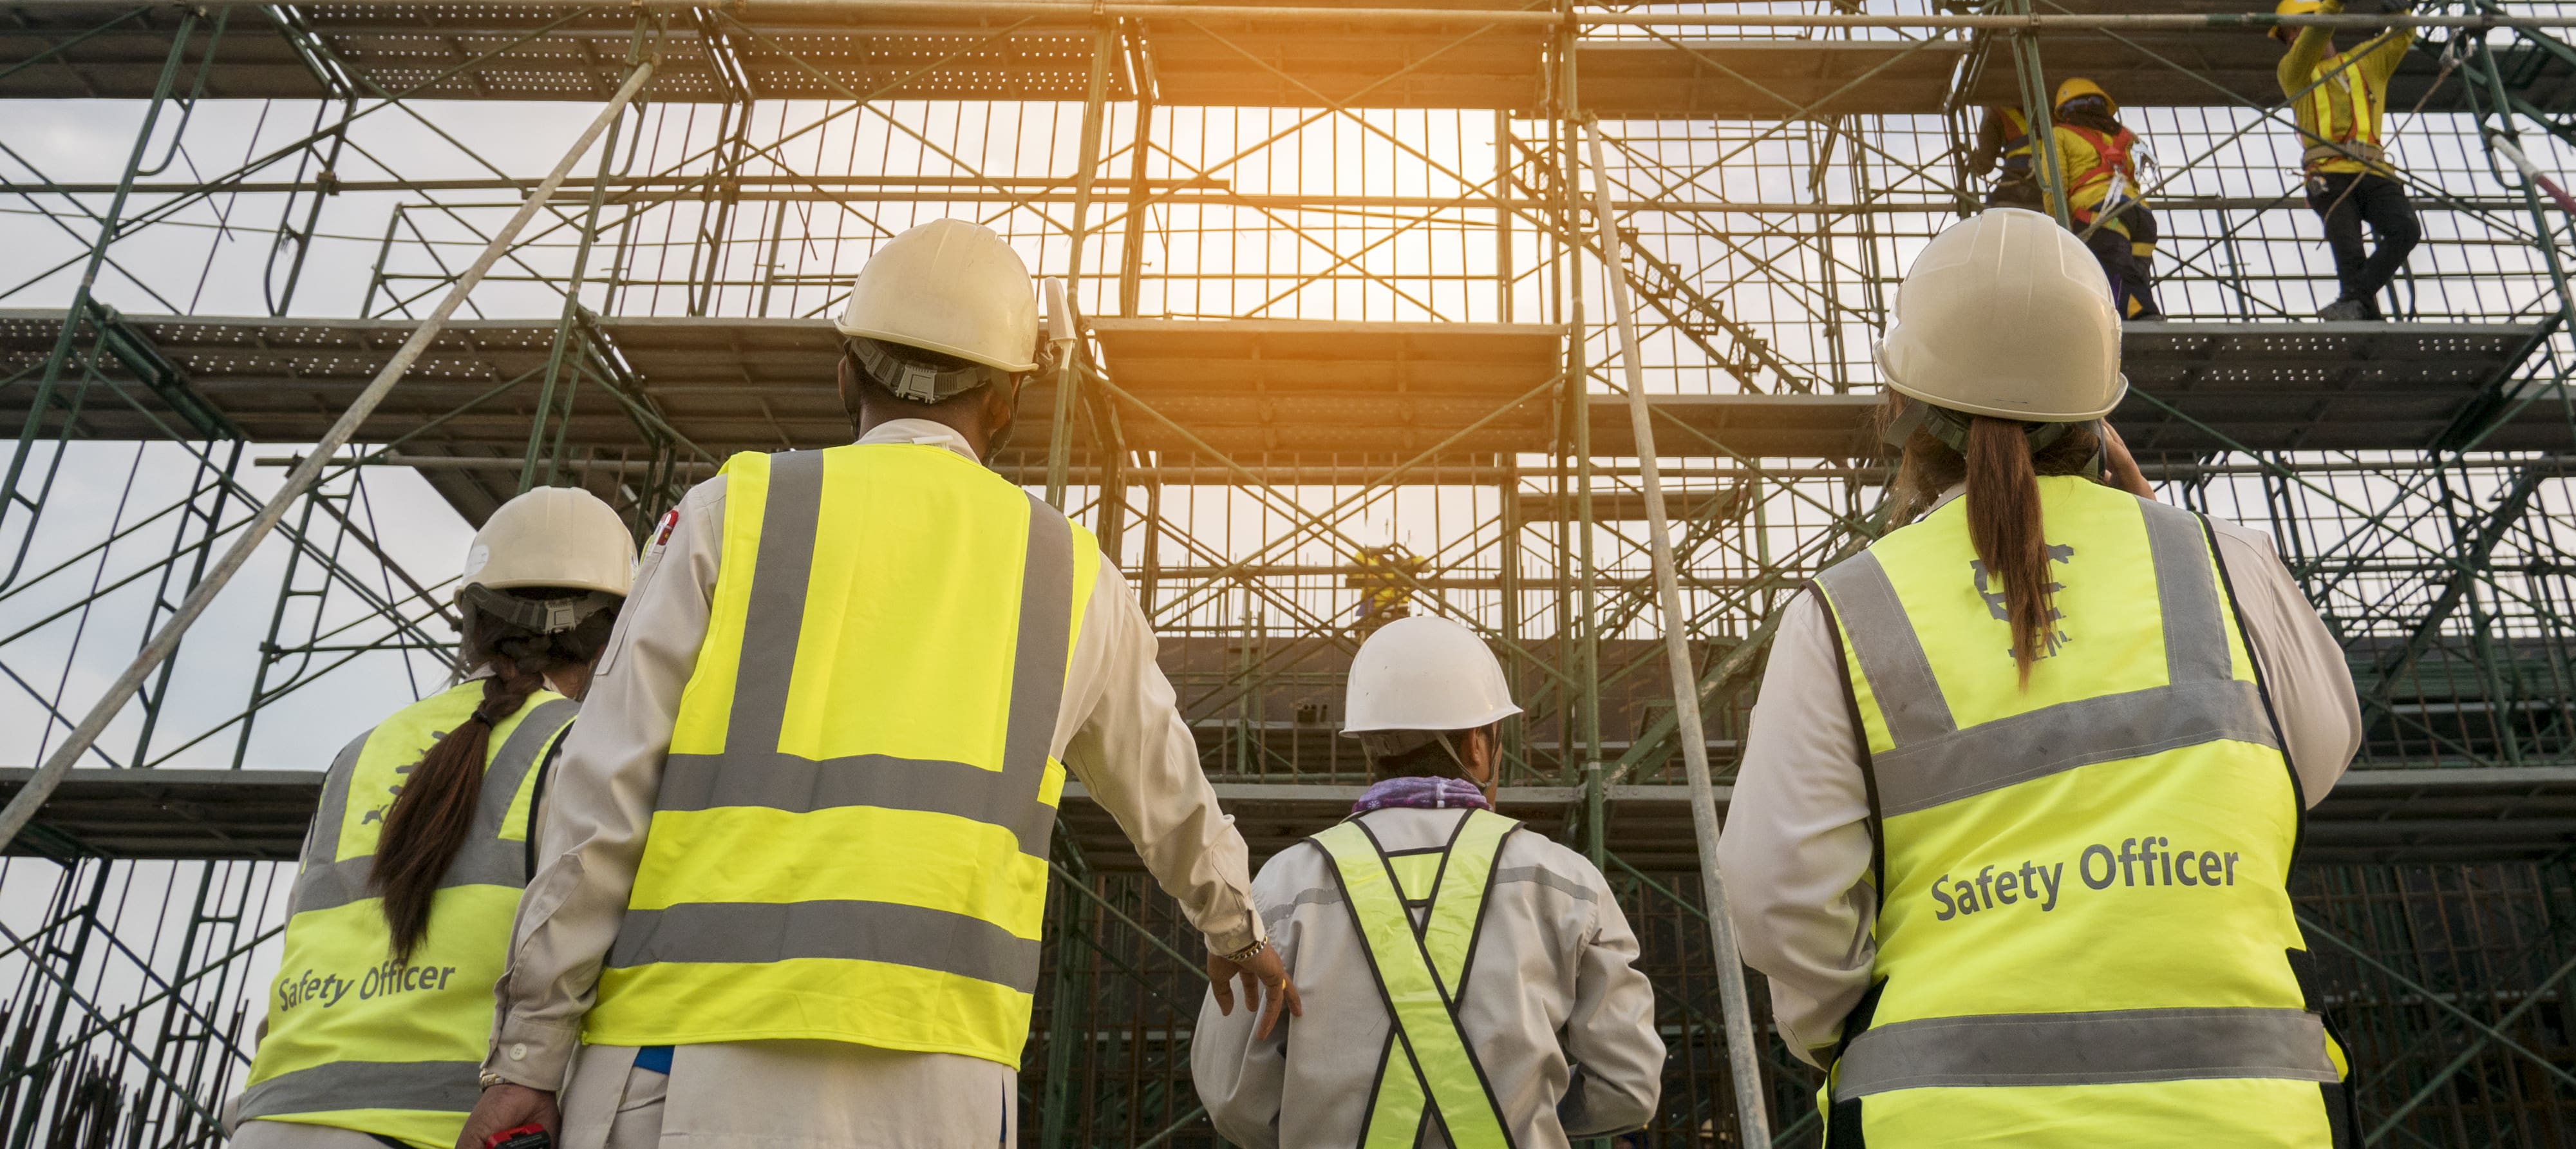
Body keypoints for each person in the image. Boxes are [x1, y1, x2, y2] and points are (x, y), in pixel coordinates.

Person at [460, 220, 1299, 1149]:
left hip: (689, 1055)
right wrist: (1235, 926)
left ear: (846, 371)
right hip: (942, 1079)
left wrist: (529, 1056)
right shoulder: (1073, 576)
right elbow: (1168, 794)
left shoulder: (731, 515)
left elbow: (599, 791)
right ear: (1009, 399)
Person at [1725, 208, 2365, 1144]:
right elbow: (2306, 759)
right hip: (2254, 1121)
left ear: (1900, 406)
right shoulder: (2224, 565)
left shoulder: (1846, 609)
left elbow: (1778, 891)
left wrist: (1852, 1030)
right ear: (2097, 415)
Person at [234, 488, 637, 1149]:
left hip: (276, 1111)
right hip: (449, 1124)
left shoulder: (359, 752)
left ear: (472, 620)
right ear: (613, 631)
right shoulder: (584, 746)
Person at [1191, 614, 1663, 1148]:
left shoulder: (1282, 885)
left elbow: (1230, 1094)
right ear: (1478, 747)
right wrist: (1535, 1109)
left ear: (1369, 745)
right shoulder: (1568, 883)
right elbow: (1630, 1085)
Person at [2275, 0, 2423, 321]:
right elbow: (2313, 39)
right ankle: (2365, 318)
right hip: (2328, 176)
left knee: (2406, 230)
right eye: (2291, 33)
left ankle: (2353, 303)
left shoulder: (2366, 63)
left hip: (2373, 171)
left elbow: (2401, 37)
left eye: (2302, 27)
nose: (2298, 36)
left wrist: (2401, 12)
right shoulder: (2293, 73)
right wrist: (2332, 5)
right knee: (2350, 251)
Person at [1964, 84, 2163, 319]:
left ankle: (2122, 316)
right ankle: (2140, 314)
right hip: (2137, 210)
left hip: (2030, 197)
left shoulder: (2004, 113)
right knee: (2131, 270)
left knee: (2102, 266)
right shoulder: (2120, 134)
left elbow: (2052, 181)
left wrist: (2061, 225)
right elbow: (2140, 172)